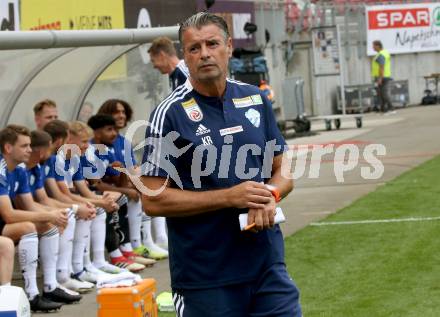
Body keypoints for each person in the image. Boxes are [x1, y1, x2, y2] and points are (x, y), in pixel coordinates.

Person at [140, 12, 301, 316]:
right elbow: (152, 199)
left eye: (212, 44)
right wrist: (228, 197)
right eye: (194, 48)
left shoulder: (254, 99)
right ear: (184, 57)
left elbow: (284, 170)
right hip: (206, 277)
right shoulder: (169, 114)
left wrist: (271, 195)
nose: (204, 54)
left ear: (228, 46)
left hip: (267, 265)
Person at [0, 125, 73, 312]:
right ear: (8, 148)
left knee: (47, 225)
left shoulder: (19, 169)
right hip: (4, 224)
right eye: (24, 146)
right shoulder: (1, 169)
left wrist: (55, 215)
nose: (30, 150)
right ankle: (30, 295)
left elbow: (30, 205)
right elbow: (9, 215)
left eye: (30, 145)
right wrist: (49, 214)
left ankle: (50, 287)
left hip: (3, 225)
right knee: (28, 227)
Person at [97, 99, 169, 259]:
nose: (121, 115)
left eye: (123, 112)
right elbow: (108, 177)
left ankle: (154, 240)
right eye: (116, 112)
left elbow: (132, 169)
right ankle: (134, 245)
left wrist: (134, 178)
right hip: (109, 189)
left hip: (125, 185)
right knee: (136, 192)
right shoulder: (99, 144)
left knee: (151, 186)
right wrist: (131, 180)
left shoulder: (124, 141)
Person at [371, 40, 395, 114]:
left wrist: (380, 78)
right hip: (383, 76)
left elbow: (381, 67)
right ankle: (384, 110)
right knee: (381, 94)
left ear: (378, 46)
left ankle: (391, 108)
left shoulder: (381, 55)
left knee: (384, 94)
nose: (373, 47)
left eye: (374, 46)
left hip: (383, 77)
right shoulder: (382, 53)